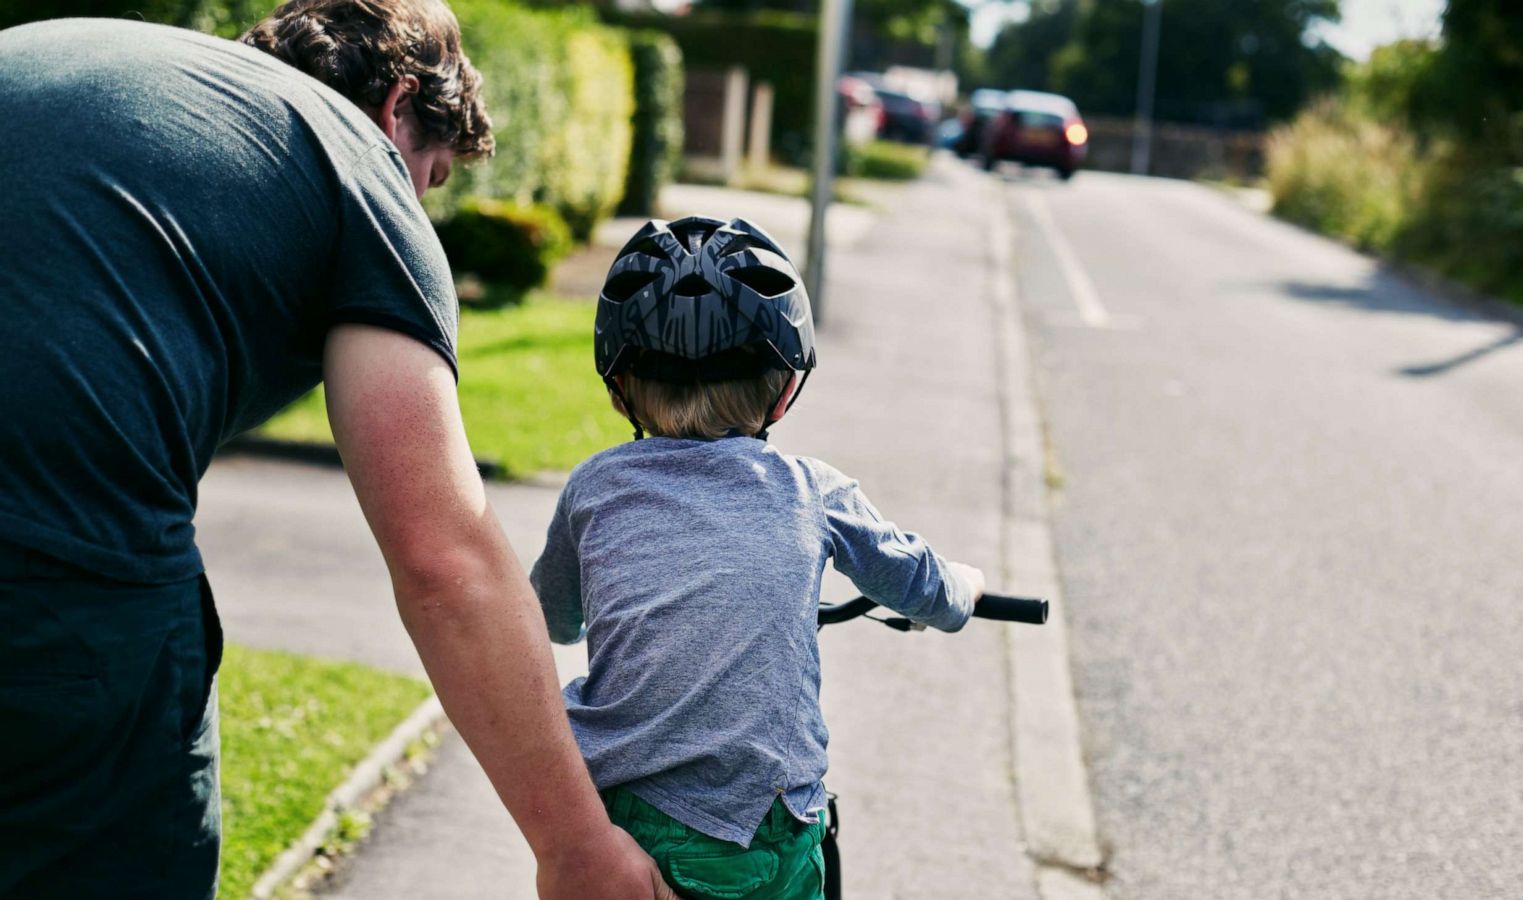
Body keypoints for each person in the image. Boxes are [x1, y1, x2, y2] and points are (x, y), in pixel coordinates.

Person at [0, 3, 672, 898]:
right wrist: (576, 844)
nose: (418, 201)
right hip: (52, 590)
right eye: (430, 177)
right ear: (398, 105)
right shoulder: (356, 171)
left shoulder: (119, 70)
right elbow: (444, 559)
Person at [530, 215, 989, 899]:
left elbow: (554, 619)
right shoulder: (810, 489)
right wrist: (966, 587)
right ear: (783, 388)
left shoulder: (594, 489)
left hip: (629, 820)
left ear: (619, 384)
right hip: (764, 835)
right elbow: (927, 588)